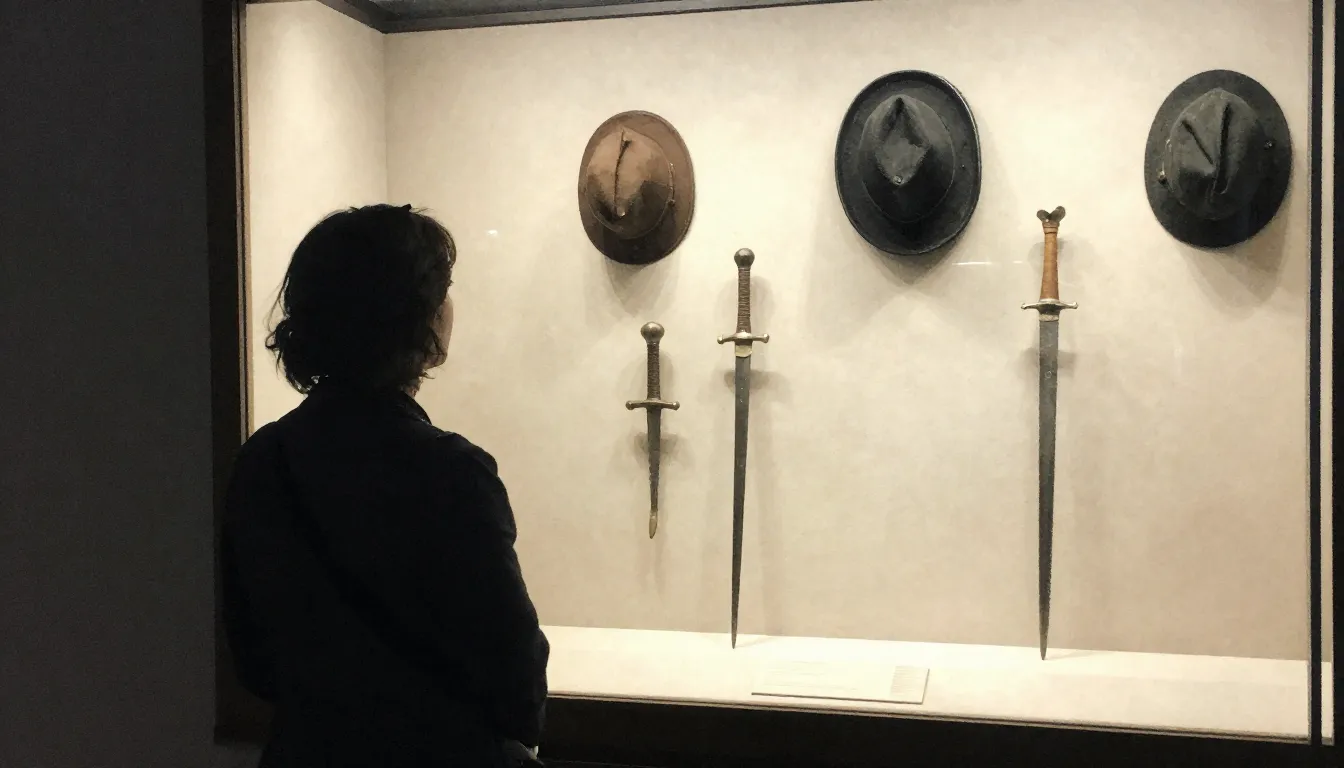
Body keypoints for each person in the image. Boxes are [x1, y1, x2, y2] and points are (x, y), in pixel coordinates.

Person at [222, 204, 549, 767]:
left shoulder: (263, 460)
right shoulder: (452, 472)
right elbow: (513, 668)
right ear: (418, 317)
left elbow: (255, 661)